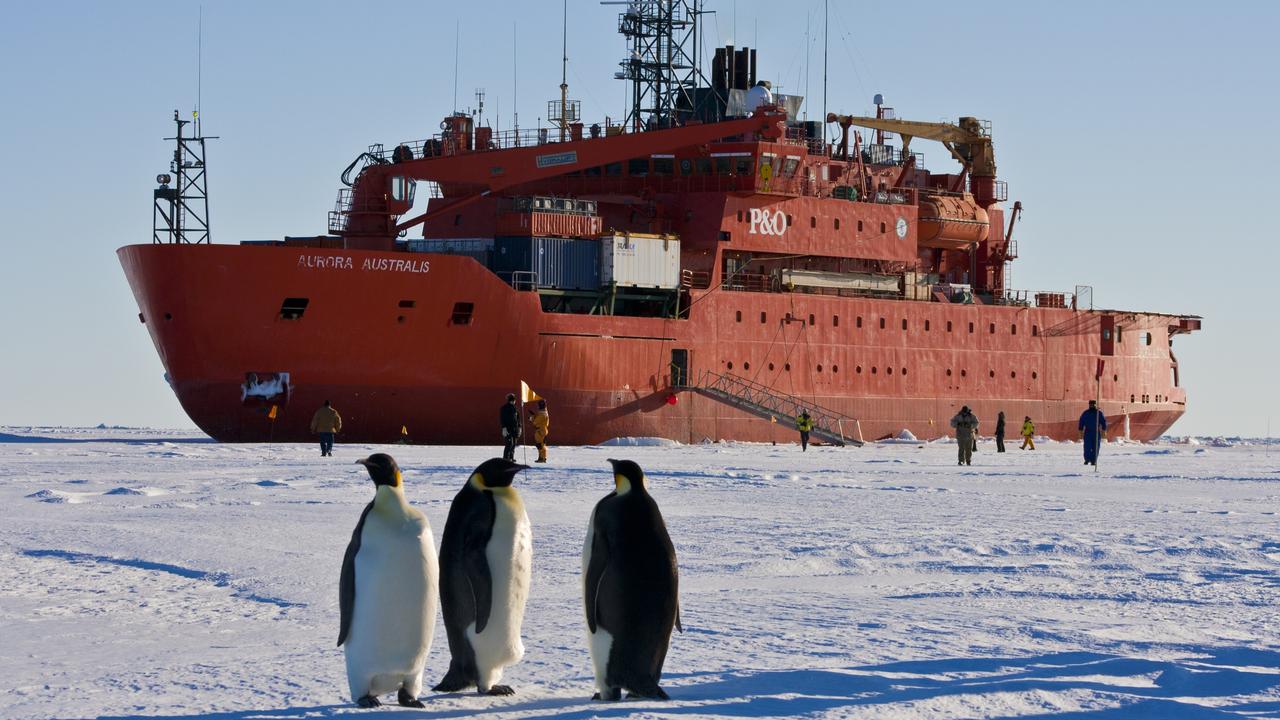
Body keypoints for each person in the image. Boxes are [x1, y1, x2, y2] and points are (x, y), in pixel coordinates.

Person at [1079, 399, 1108, 466]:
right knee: (1087, 447)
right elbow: (1081, 421)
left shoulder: (1099, 413)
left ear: (1095, 405)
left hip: (1096, 432)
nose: (1092, 405)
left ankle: (1093, 460)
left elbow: (1103, 421)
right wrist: (1080, 429)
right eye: (1091, 404)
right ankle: (1087, 459)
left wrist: (1104, 429)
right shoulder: (1086, 413)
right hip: (1088, 432)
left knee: (1096, 447)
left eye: (1093, 404)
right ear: (1089, 405)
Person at [500, 393, 521, 461]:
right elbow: (502, 418)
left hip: (515, 429)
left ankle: (511, 457)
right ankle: (506, 458)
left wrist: (519, 427)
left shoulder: (515, 408)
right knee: (509, 443)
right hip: (508, 429)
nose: (514, 401)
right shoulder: (504, 408)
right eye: (513, 400)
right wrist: (504, 428)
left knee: (514, 444)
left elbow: (518, 419)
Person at [529, 399, 550, 463]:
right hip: (543, 429)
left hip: (540, 430)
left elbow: (535, 422)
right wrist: (534, 415)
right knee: (541, 444)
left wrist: (532, 417)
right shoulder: (544, 412)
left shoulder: (542, 414)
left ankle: (543, 458)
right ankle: (541, 457)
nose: (537, 406)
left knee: (540, 445)